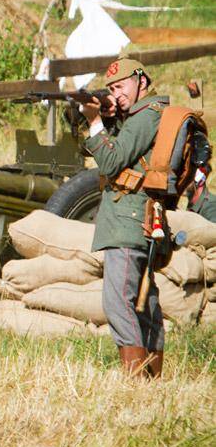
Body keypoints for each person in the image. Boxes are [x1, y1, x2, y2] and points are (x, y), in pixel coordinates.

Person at [80, 58, 169, 378]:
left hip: (129, 218)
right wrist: (104, 117)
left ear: (141, 82)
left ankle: (138, 381)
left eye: (121, 87)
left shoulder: (146, 116)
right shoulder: (144, 115)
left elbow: (112, 162)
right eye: (112, 89)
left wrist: (94, 122)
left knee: (118, 302)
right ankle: (154, 378)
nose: (116, 94)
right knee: (144, 303)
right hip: (139, 217)